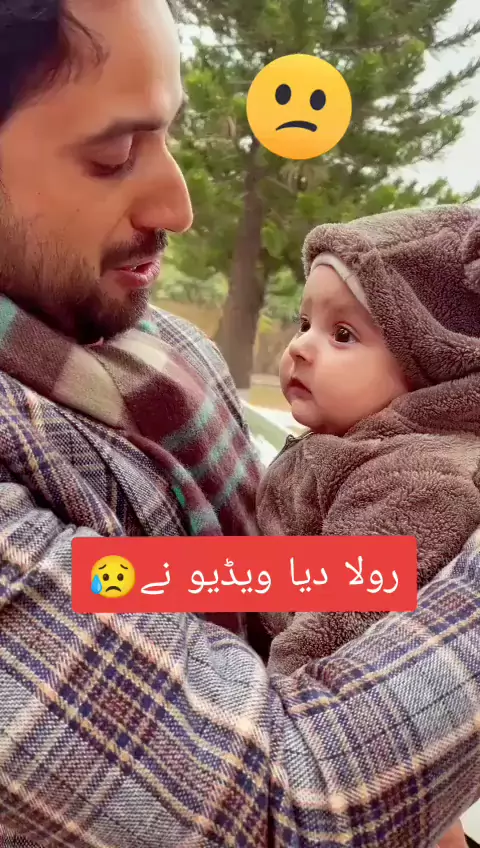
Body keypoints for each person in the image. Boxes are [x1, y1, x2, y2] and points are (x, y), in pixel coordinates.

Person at [0, 2, 479, 847]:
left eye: (169, 135)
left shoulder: (147, 340)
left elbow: (210, 573)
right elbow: (282, 803)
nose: (178, 206)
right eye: (113, 155)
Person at [256, 205, 480, 847]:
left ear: (429, 367)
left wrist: (119, 580)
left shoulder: (415, 482)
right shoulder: (352, 444)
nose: (300, 346)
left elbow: (335, 633)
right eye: (304, 322)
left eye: (343, 335)